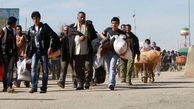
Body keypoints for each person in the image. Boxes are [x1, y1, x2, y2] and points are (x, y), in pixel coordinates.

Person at [25, 11, 58, 93]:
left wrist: (50, 47)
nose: (35, 20)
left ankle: (44, 87)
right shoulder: (30, 29)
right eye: (33, 19)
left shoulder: (45, 27)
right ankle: (34, 86)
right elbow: (28, 42)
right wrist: (26, 52)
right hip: (34, 51)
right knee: (33, 68)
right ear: (32, 19)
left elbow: (52, 36)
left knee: (45, 70)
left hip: (43, 51)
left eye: (36, 18)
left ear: (39, 19)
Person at [68, 11, 97, 90]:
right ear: (77, 18)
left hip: (87, 50)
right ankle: (80, 83)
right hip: (76, 51)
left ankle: (87, 81)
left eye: (84, 17)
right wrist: (78, 37)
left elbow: (94, 36)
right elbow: (70, 37)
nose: (83, 18)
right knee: (77, 68)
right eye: (81, 17)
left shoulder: (89, 26)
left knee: (88, 66)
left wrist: (86, 37)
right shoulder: (72, 27)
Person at [100, 17, 125, 90]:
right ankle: (112, 81)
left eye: (115, 23)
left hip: (115, 53)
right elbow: (101, 33)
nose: (114, 25)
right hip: (107, 52)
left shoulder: (120, 32)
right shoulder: (108, 30)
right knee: (108, 69)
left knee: (112, 67)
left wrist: (124, 51)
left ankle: (111, 83)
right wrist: (104, 38)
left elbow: (127, 41)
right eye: (113, 23)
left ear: (118, 24)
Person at [0, 16, 17, 93]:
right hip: (4, 53)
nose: (15, 24)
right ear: (12, 23)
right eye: (15, 23)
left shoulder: (13, 31)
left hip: (12, 53)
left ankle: (10, 85)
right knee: (5, 70)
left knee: (11, 69)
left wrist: (15, 53)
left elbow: (14, 43)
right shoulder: (4, 30)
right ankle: (4, 86)